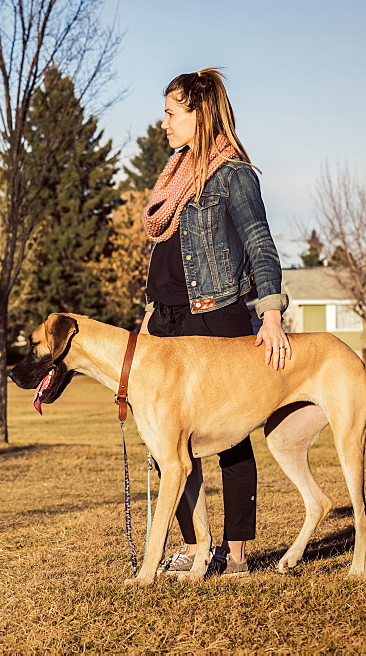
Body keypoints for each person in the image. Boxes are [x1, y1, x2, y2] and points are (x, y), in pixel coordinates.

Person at [140, 68, 290, 578]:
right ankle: (196, 546)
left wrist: (270, 313)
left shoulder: (233, 175)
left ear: (200, 113)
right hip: (165, 324)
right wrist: (147, 318)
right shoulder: (175, 175)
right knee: (169, 442)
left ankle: (238, 550)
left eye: (172, 113)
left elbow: (259, 242)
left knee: (231, 436)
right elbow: (165, 259)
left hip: (215, 315)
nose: (164, 123)